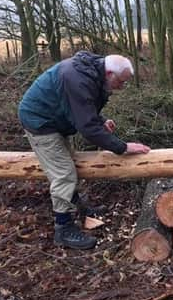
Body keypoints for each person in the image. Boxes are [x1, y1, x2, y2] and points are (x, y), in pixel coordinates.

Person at [18, 51, 151, 249]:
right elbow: (87, 127)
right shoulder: (77, 79)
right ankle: (63, 228)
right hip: (40, 122)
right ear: (109, 73)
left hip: (55, 119)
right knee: (64, 174)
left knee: (69, 165)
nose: (122, 87)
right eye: (121, 82)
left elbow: (83, 109)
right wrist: (122, 147)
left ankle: (80, 209)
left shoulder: (91, 73)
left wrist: (100, 121)